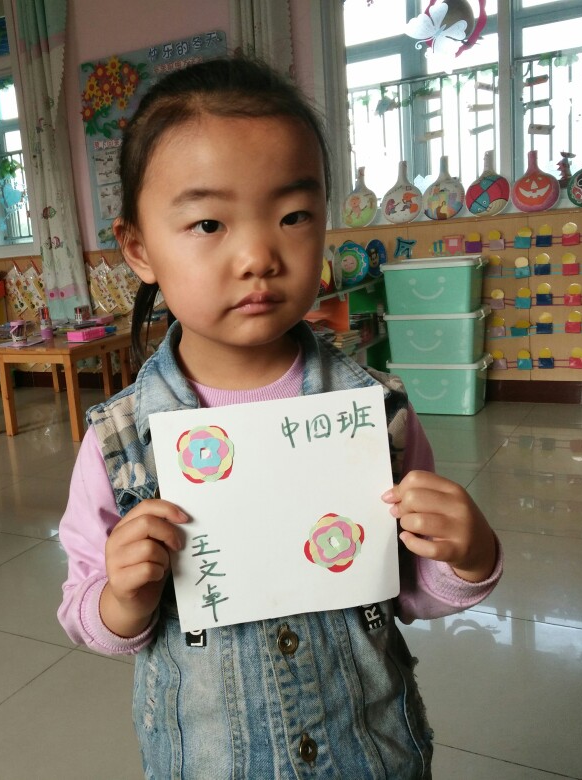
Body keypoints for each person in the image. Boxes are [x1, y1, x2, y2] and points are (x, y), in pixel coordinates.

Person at [57, 56, 501, 778]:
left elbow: (411, 587)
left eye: (293, 216)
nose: (259, 255)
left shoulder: (375, 411)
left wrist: (469, 556)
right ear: (138, 248)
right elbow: (86, 610)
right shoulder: (120, 439)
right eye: (208, 222)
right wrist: (122, 597)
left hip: (369, 754)